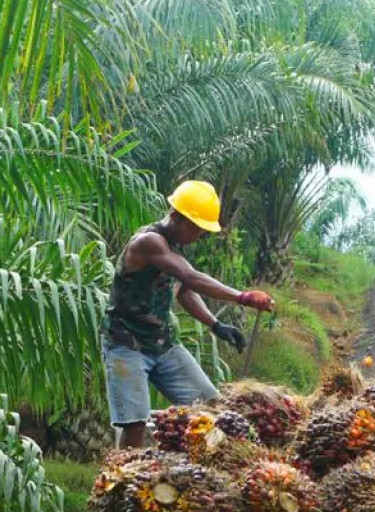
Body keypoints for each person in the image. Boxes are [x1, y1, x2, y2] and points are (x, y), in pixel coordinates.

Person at [105, 180, 274, 448]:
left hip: (163, 345)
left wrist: (216, 324)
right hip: (126, 345)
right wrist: (242, 297)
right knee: (135, 423)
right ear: (175, 217)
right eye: (197, 228)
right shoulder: (149, 242)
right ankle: (125, 479)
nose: (199, 236)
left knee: (210, 406)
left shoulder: (174, 247)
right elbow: (190, 277)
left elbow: (183, 291)